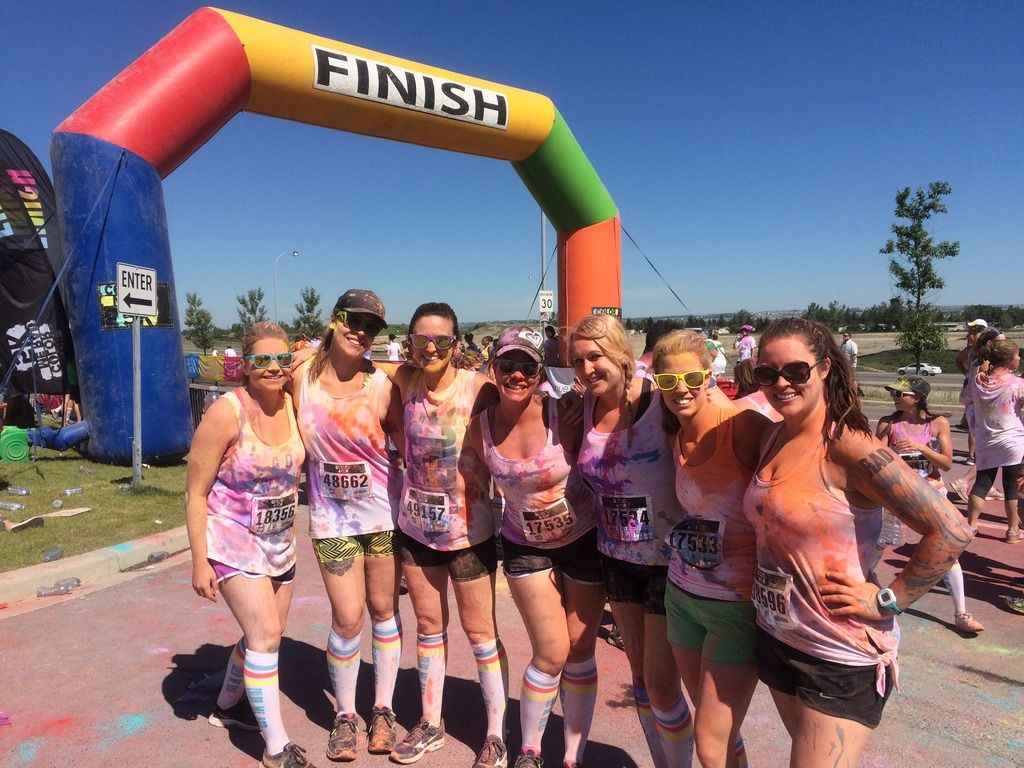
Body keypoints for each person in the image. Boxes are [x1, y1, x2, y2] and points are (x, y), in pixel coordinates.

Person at [743, 318, 971, 766]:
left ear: (825, 368)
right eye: (767, 374)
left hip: (837, 652)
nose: (780, 384)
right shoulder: (774, 435)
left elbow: (951, 529)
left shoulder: (849, 446)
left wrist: (889, 600)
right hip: (779, 636)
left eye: (796, 371)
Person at [466, 326, 605, 768]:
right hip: (525, 545)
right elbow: (471, 486)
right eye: (508, 365)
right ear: (494, 368)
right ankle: (529, 750)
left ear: (539, 370)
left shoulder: (563, 412)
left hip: (583, 540)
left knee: (582, 649)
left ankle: (572, 754)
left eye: (527, 366)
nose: (517, 375)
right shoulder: (480, 429)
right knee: (551, 651)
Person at [185, 322, 317, 768]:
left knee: (265, 637)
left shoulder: (295, 404)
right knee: (264, 634)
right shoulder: (226, 412)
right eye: (262, 360)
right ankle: (277, 748)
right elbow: (195, 493)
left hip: (279, 542)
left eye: (282, 359)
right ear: (245, 365)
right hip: (231, 539)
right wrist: (199, 561)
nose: (274, 368)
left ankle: (225, 707)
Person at [569, 314, 692, 768]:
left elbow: (722, 424)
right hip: (616, 558)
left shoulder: (662, 401)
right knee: (640, 676)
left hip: (669, 561)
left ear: (622, 355)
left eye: (595, 357)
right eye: (578, 361)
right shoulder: (583, 406)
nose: (587, 369)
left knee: (664, 684)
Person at [388, 302, 508, 768]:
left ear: (457, 343)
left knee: (480, 633)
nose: (431, 347)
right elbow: (354, 365)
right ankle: (431, 722)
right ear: (410, 343)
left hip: (470, 532)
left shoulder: (481, 390)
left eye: (441, 339)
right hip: (416, 528)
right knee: (429, 628)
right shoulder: (404, 381)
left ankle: (496, 733)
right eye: (421, 339)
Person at [294, 290, 406, 761]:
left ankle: (382, 709)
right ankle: (344, 714)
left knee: (383, 611)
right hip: (330, 519)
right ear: (334, 319)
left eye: (372, 326)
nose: (361, 331)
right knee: (347, 617)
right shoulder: (300, 375)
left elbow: (411, 435)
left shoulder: (383, 383)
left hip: (381, 515)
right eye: (354, 320)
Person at [654, 330, 770, 768]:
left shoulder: (742, 426)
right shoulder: (675, 436)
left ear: (709, 376)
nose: (680, 389)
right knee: (718, 728)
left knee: (709, 744)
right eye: (667, 382)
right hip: (682, 597)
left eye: (690, 378)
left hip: (735, 607)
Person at [876, 376, 984, 633]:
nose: (895, 397)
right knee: (875, 546)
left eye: (901, 393)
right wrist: (892, 455)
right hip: (897, 494)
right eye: (893, 392)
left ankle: (961, 613)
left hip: (931, 493)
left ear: (918, 397)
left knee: (947, 553)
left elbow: (946, 463)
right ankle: (861, 591)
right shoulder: (887, 424)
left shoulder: (937, 424)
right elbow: (876, 461)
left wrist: (919, 448)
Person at [962, 339, 1024, 543]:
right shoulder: (1016, 384)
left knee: (981, 483)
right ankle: (1012, 530)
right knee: (1010, 487)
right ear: (1008, 360)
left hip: (986, 440)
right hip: (1012, 440)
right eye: (1017, 355)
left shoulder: (978, 380)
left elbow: (964, 399)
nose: (1019, 358)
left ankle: (971, 525)